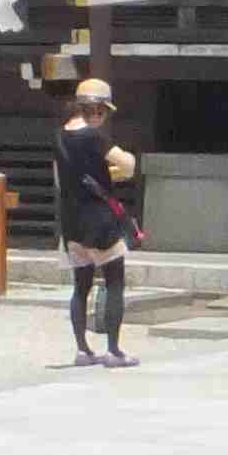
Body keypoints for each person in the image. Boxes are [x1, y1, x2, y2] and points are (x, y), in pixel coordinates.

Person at [56, 74, 142, 370]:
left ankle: (82, 350)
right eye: (103, 112)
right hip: (99, 220)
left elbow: (68, 177)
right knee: (115, 282)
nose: (102, 118)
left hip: (71, 222)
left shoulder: (60, 136)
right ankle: (114, 351)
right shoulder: (94, 137)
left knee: (81, 286)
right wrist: (120, 169)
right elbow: (127, 163)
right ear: (95, 109)